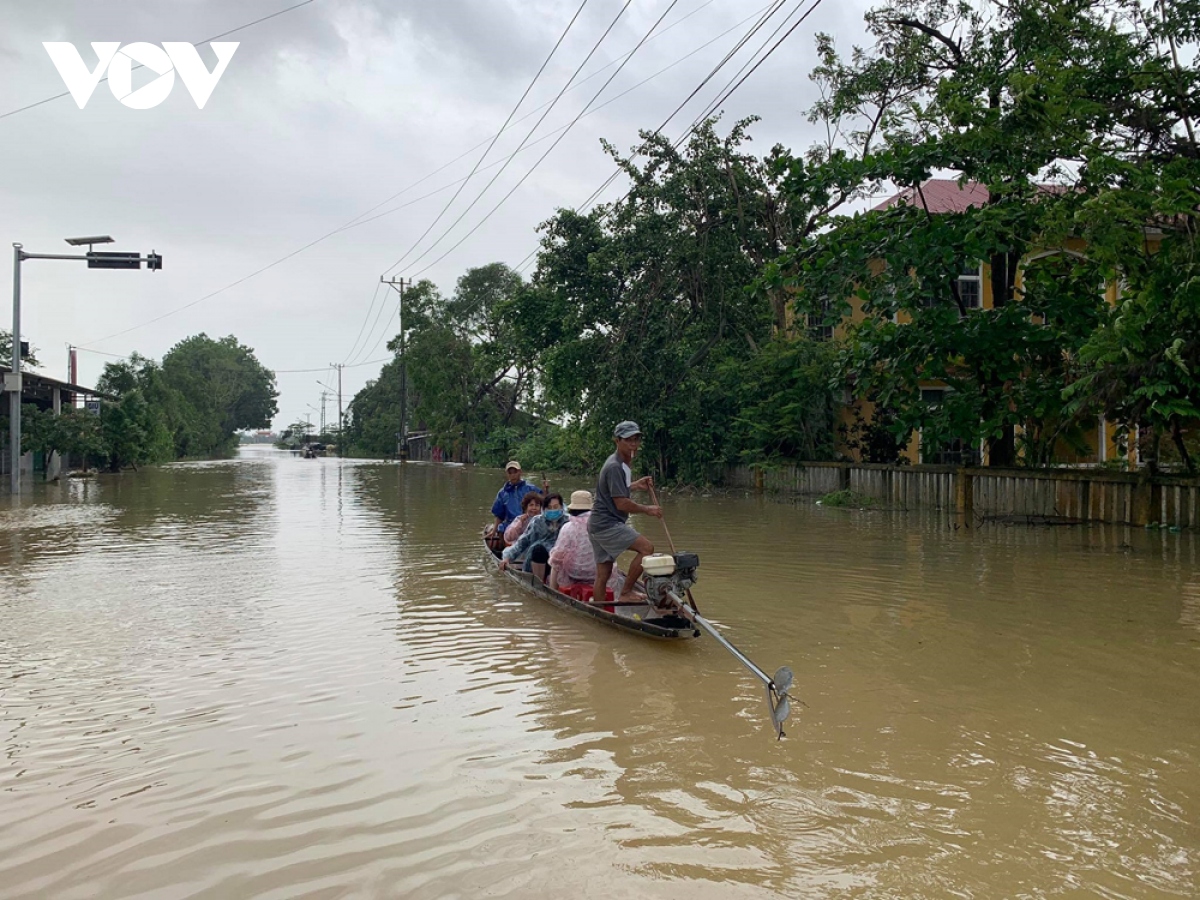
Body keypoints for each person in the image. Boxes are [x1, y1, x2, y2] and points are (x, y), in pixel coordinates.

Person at [588, 421, 662, 604]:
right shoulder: (615, 466)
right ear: (617, 441)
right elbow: (621, 503)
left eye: (636, 440)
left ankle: (599, 609)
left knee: (603, 573)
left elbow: (616, 491)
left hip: (597, 524)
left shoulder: (623, 464)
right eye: (628, 440)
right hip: (607, 524)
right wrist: (648, 509)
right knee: (647, 548)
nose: (633, 444)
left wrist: (636, 485)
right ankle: (626, 591)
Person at [500, 493, 565, 583]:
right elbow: (523, 541)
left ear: (561, 507)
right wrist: (508, 557)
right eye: (549, 507)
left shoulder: (567, 521)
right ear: (544, 509)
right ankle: (539, 583)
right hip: (539, 560)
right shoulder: (537, 521)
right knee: (538, 548)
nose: (552, 510)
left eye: (556, 507)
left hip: (560, 562)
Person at [486, 461, 544, 553]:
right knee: (501, 528)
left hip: (529, 521)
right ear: (507, 474)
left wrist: (546, 490)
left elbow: (544, 502)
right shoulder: (503, 493)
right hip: (510, 524)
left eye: (515, 472)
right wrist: (494, 530)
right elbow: (499, 514)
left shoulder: (530, 488)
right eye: (510, 473)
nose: (513, 475)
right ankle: (505, 551)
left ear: (520, 472)